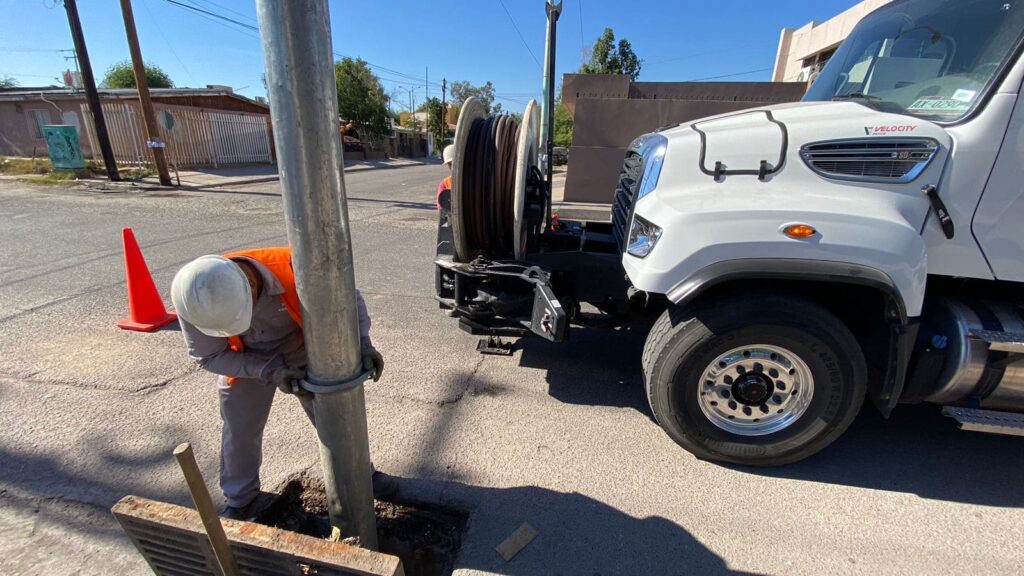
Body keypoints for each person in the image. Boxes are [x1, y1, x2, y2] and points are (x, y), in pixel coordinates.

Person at [170, 247, 393, 520]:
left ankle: (361, 479)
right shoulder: (193, 299)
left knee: (332, 412)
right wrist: (268, 370)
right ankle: (241, 500)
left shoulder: (295, 266)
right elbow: (210, 356)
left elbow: (346, 300)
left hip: (301, 343)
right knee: (240, 426)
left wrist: (363, 345)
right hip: (245, 358)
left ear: (249, 284)